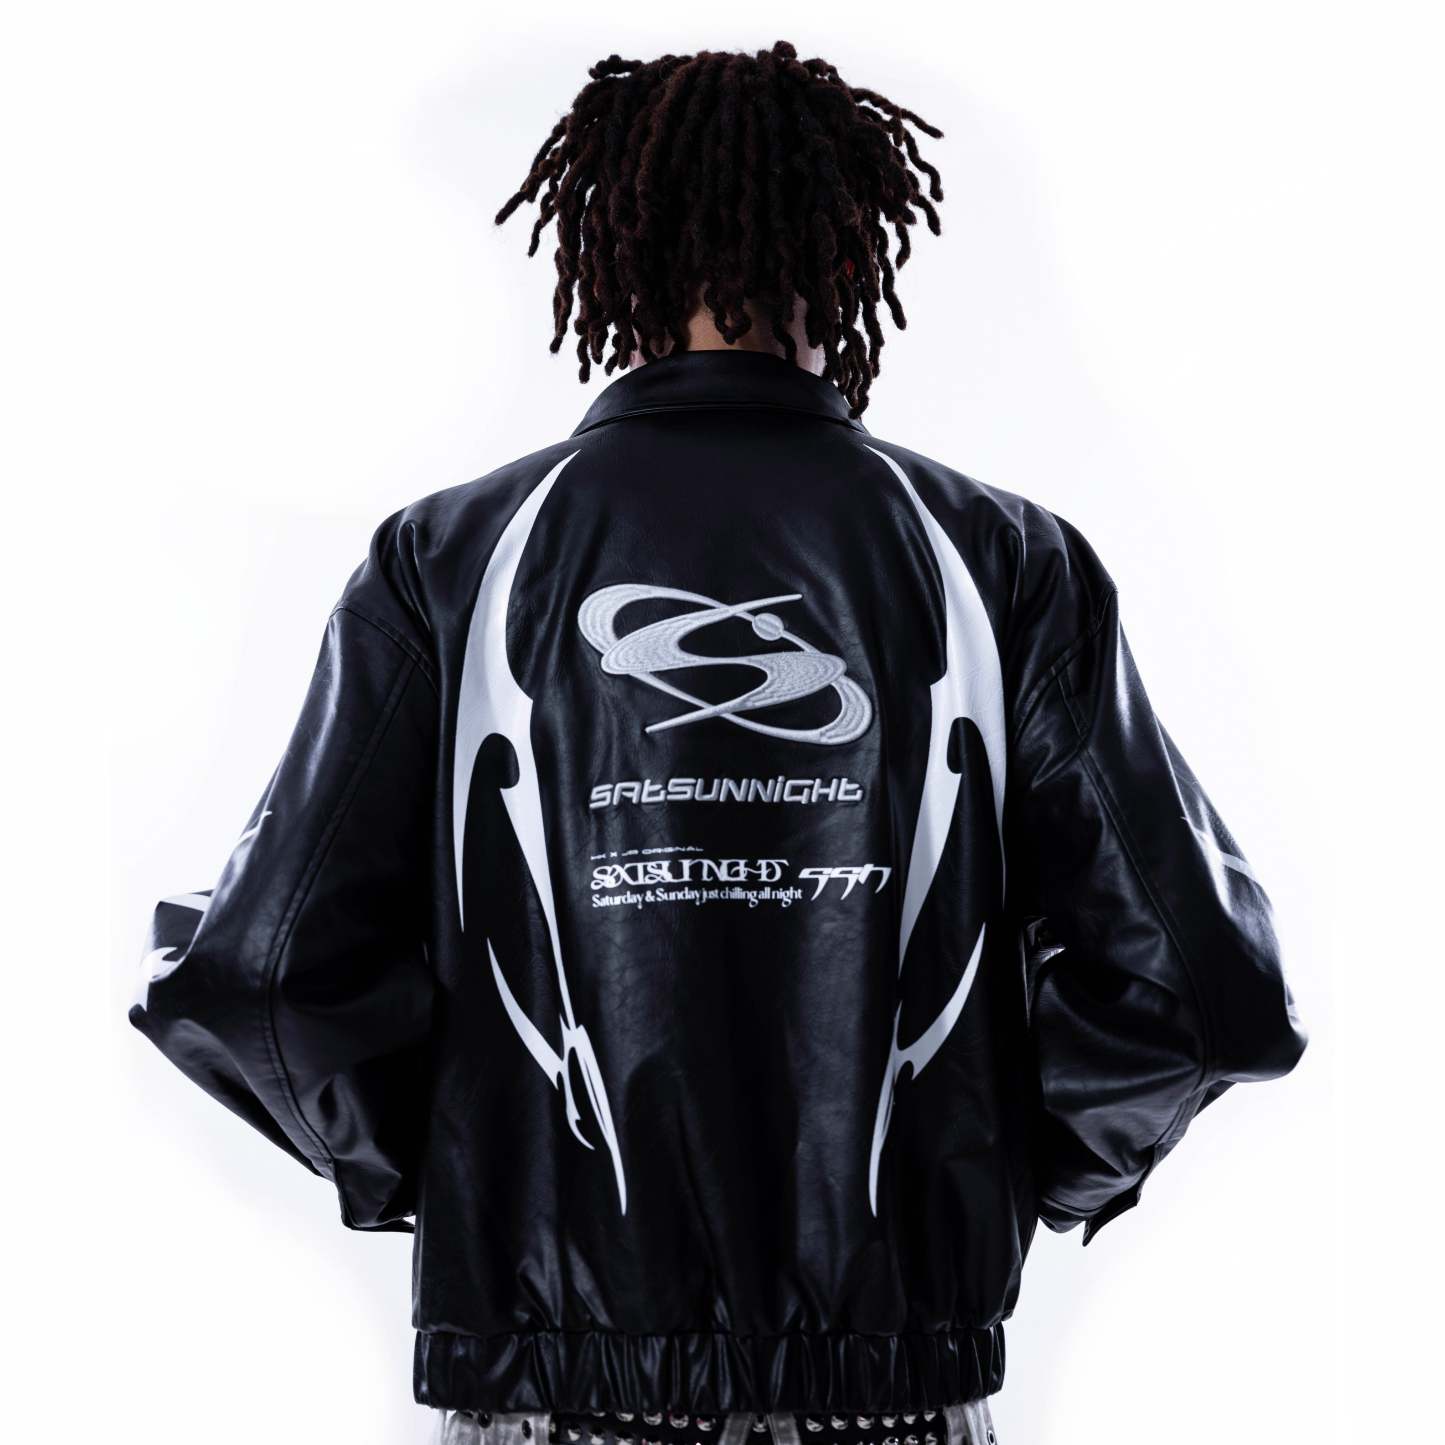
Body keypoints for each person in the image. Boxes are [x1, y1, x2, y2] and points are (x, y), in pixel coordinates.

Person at [130, 41, 1306, 1445]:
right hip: (894, 1403)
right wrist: (991, 1182)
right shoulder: (997, 560)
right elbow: (1201, 991)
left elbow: (262, 977)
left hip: (549, 1405)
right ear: (851, 250)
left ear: (607, 257)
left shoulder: (453, 558)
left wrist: (454, 1175)